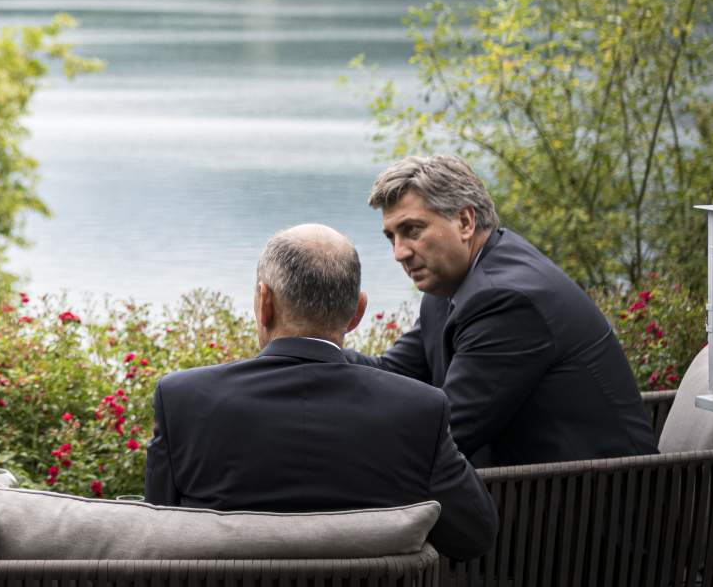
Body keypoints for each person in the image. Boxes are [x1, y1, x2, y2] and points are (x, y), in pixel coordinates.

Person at [143, 224, 497, 561]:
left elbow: (158, 532)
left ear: (264, 302)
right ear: (357, 312)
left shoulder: (183, 399)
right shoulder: (420, 410)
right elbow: (473, 537)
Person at [350, 154, 657, 466]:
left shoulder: (506, 299)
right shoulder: (453, 282)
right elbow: (395, 373)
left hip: (602, 498)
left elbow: (443, 437)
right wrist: (307, 348)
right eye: (392, 237)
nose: (399, 252)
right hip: (532, 487)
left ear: (465, 222)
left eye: (412, 230)